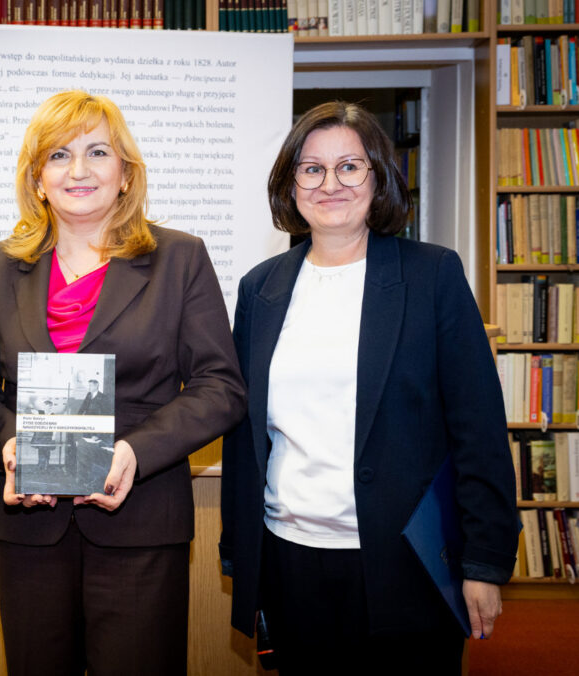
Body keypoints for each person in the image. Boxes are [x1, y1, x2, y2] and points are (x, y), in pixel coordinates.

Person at [219, 101, 519, 674]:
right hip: (290, 558)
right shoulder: (261, 289)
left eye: (350, 167)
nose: (330, 184)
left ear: (378, 177)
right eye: (312, 169)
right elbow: (244, 434)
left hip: (407, 561)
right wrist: (239, 550)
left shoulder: (432, 275)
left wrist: (484, 561)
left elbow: (478, 427)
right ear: (290, 184)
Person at [0, 90, 247, 675]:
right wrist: (11, 448)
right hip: (29, 525)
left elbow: (221, 386)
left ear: (126, 173)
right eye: (59, 155)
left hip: (141, 520)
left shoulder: (180, 258)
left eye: (97, 152)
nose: (78, 171)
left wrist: (135, 453)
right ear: (38, 179)